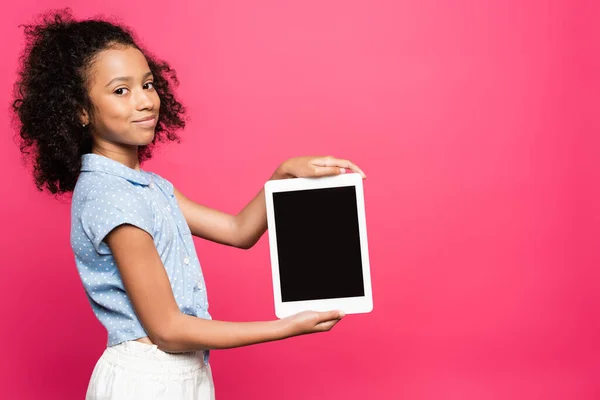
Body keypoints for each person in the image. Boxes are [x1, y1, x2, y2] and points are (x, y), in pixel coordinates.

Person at [12, 9, 367, 400]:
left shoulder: (147, 187)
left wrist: (281, 176)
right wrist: (285, 327)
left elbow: (238, 231)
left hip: (180, 374)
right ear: (79, 111)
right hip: (146, 381)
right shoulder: (113, 199)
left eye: (147, 84)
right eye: (120, 91)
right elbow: (168, 329)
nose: (145, 101)